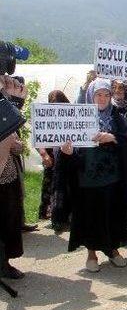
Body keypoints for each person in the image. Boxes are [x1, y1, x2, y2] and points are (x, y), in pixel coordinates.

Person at [61, 78, 127, 272]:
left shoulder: (117, 116)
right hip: (87, 177)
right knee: (90, 215)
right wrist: (67, 153)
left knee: (113, 213)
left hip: (112, 177)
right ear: (90, 96)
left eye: (106, 94)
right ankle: (91, 253)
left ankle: (113, 250)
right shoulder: (78, 117)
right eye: (98, 94)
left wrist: (114, 138)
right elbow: (70, 147)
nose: (102, 98)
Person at [0, 75, 28, 279]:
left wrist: (15, 145)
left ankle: (4, 263)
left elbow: (14, 138)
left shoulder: (5, 102)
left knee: (9, 220)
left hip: (7, 174)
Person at [38, 90, 73, 233]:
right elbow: (38, 138)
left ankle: (67, 216)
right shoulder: (44, 117)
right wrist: (44, 154)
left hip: (68, 157)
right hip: (51, 159)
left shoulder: (72, 116)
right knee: (53, 188)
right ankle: (54, 216)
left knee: (68, 187)